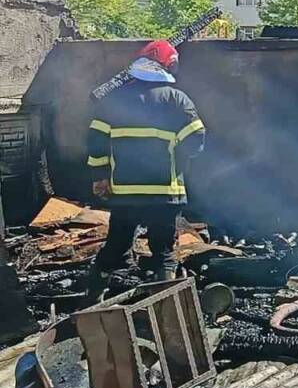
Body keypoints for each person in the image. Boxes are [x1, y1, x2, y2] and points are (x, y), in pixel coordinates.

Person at [84, 40, 206, 297]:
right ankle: (166, 306)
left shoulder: (114, 100)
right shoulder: (176, 99)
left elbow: (96, 141)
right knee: (163, 251)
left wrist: (100, 177)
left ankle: (90, 300)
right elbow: (196, 139)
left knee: (116, 245)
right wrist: (178, 158)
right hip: (165, 192)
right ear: (169, 65)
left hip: (125, 193)